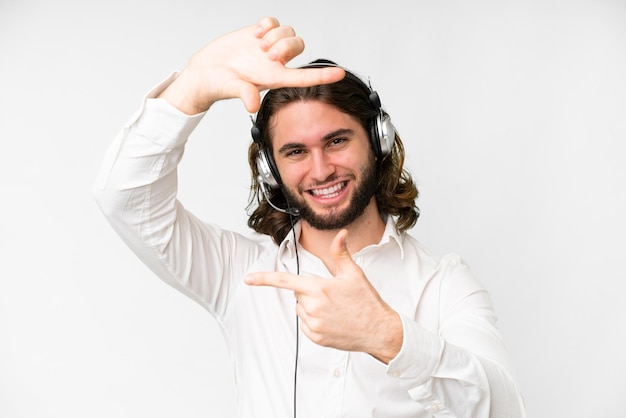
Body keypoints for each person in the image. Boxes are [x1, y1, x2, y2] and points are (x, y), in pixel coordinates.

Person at [93, 16, 526, 418]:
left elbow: (506, 408)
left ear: (379, 140)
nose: (320, 170)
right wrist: (190, 88)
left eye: (336, 141)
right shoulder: (240, 274)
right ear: (270, 171)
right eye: (296, 151)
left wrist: (389, 336)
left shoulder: (444, 284)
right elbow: (125, 198)